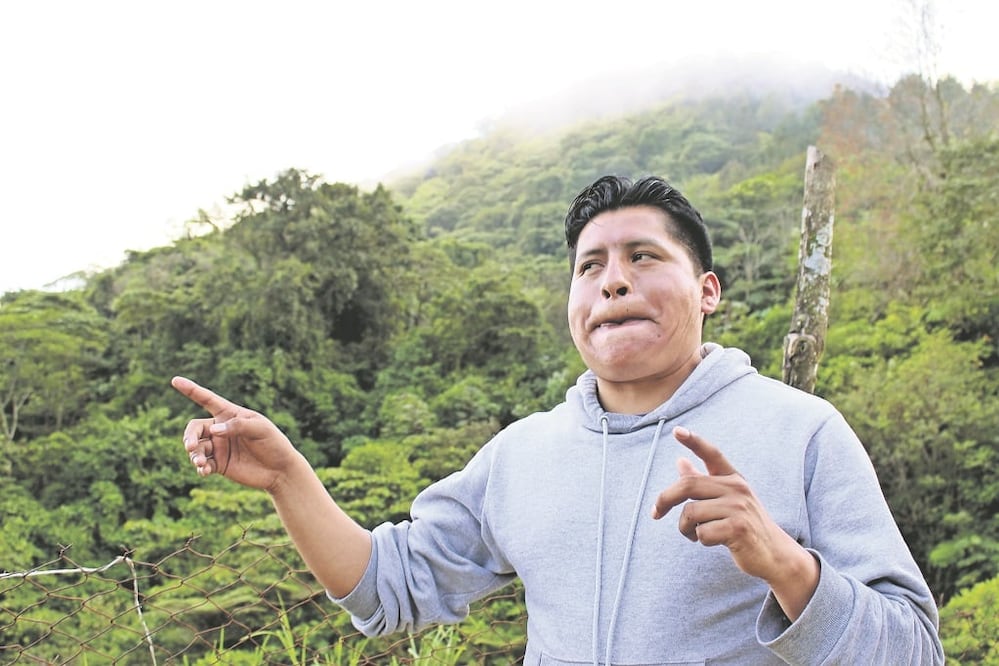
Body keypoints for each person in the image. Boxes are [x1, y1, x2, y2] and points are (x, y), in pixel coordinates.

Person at [173, 175, 943, 664]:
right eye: (589, 266)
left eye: (644, 257)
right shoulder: (523, 455)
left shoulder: (801, 431)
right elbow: (388, 592)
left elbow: (914, 651)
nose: (613, 282)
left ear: (705, 290)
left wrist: (786, 565)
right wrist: (286, 479)